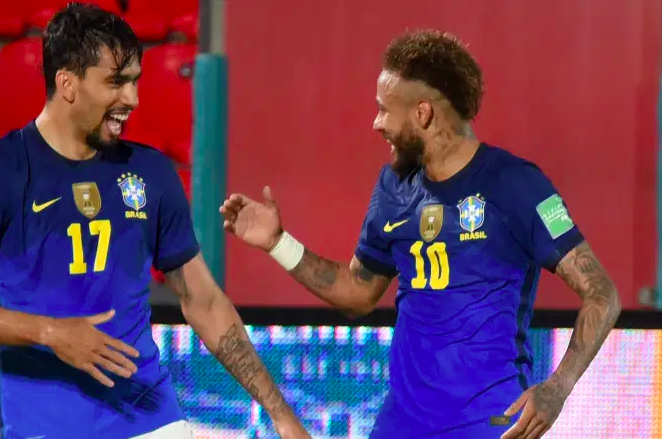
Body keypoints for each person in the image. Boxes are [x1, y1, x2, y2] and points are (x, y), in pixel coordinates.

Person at [0, 4, 310, 439]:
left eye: (136, 81)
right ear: (67, 82)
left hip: (150, 418)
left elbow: (204, 301)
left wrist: (279, 413)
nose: (133, 99)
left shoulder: (150, 173)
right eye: (116, 83)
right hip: (45, 427)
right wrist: (51, 333)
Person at [220, 30, 621, 439]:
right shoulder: (395, 187)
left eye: (383, 110)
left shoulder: (518, 185)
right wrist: (277, 242)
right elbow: (357, 293)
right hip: (401, 425)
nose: (376, 124)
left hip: (490, 424)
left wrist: (558, 387)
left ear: (423, 113)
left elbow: (602, 292)